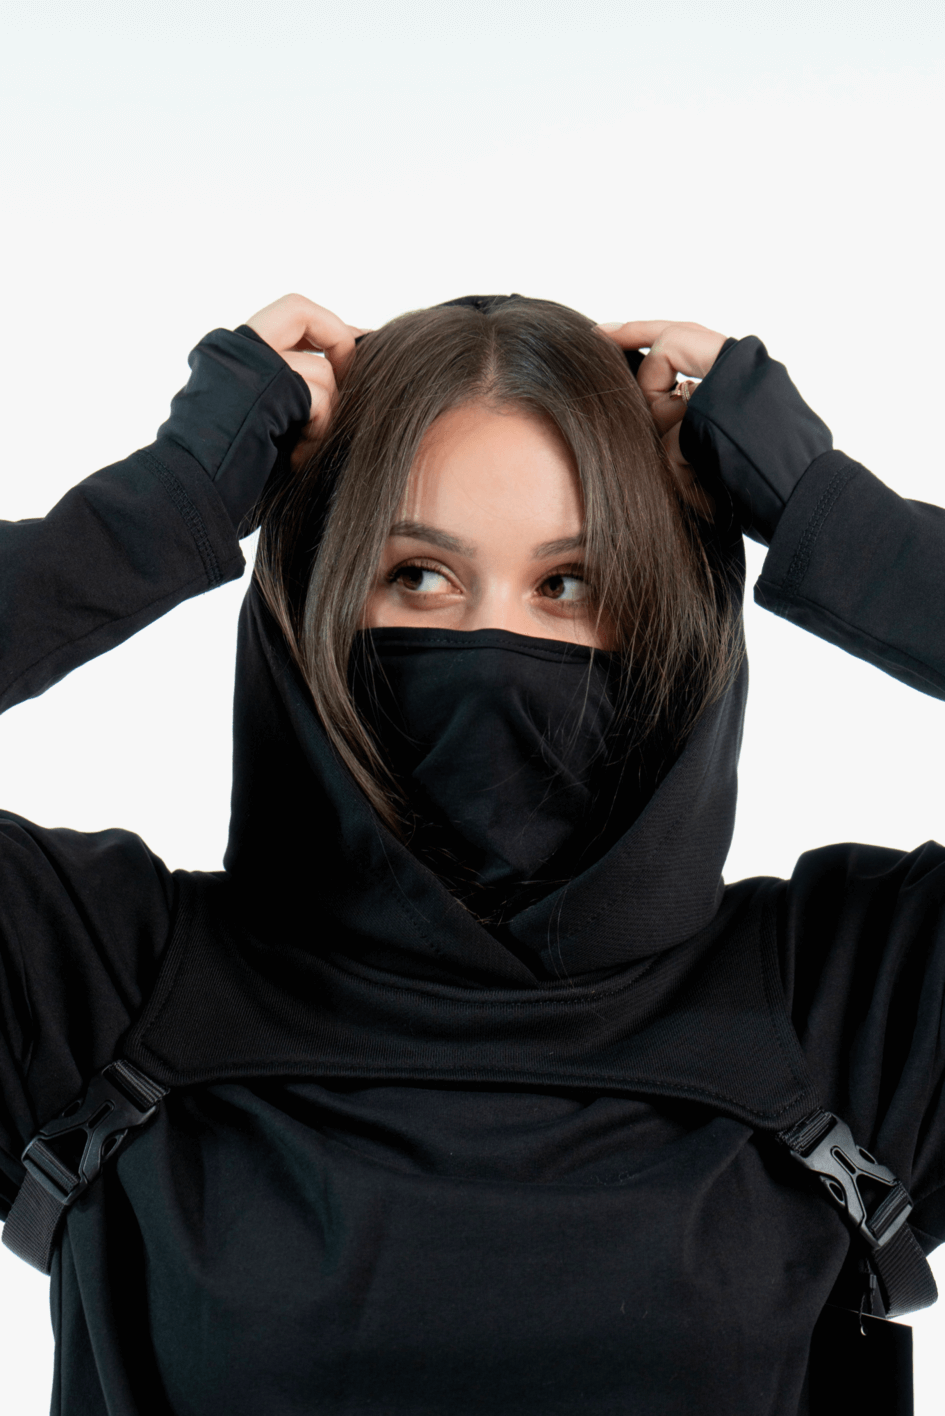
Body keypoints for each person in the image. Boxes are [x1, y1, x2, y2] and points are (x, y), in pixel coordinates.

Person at [0, 291, 941, 1416]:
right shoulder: (94, 987)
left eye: (570, 584)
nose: (495, 644)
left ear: (673, 617)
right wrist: (160, 507)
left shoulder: (858, 1009)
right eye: (417, 576)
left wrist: (831, 513)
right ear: (314, 597)